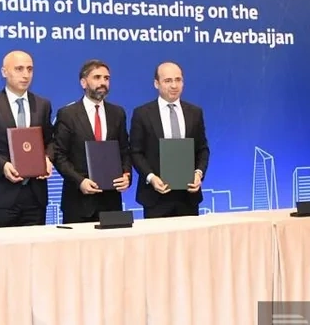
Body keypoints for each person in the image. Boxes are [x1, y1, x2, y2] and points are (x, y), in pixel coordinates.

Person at [0, 49, 54, 228]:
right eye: (19, 69)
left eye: (30, 69)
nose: (26, 75)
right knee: (3, 246)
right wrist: (2, 166)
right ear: (4, 72)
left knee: (36, 245)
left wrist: (48, 158)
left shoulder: (43, 105)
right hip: (2, 195)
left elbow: (50, 141)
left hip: (36, 195)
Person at [51, 59, 131, 224]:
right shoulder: (67, 114)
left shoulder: (118, 113)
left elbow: (124, 150)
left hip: (111, 202)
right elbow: (59, 155)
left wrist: (126, 175)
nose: (103, 82)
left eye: (106, 78)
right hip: (78, 202)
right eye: (97, 77)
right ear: (83, 82)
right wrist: (79, 181)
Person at [129, 61, 210, 218]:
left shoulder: (195, 113)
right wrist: (151, 178)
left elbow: (202, 149)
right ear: (156, 83)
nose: (174, 85)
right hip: (155, 197)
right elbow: (136, 152)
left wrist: (198, 173)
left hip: (188, 196)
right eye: (168, 81)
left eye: (178, 80)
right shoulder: (142, 114)